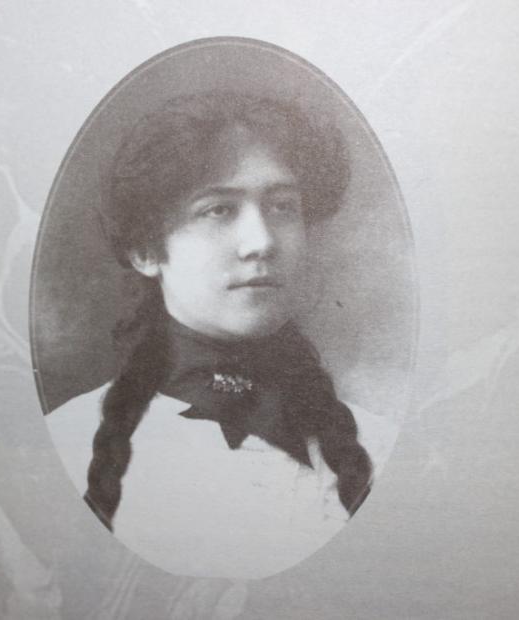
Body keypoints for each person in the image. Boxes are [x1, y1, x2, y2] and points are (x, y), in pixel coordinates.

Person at [45, 91, 390, 578]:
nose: (262, 242)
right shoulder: (64, 446)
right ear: (146, 250)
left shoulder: (382, 448)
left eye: (283, 206)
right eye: (219, 210)